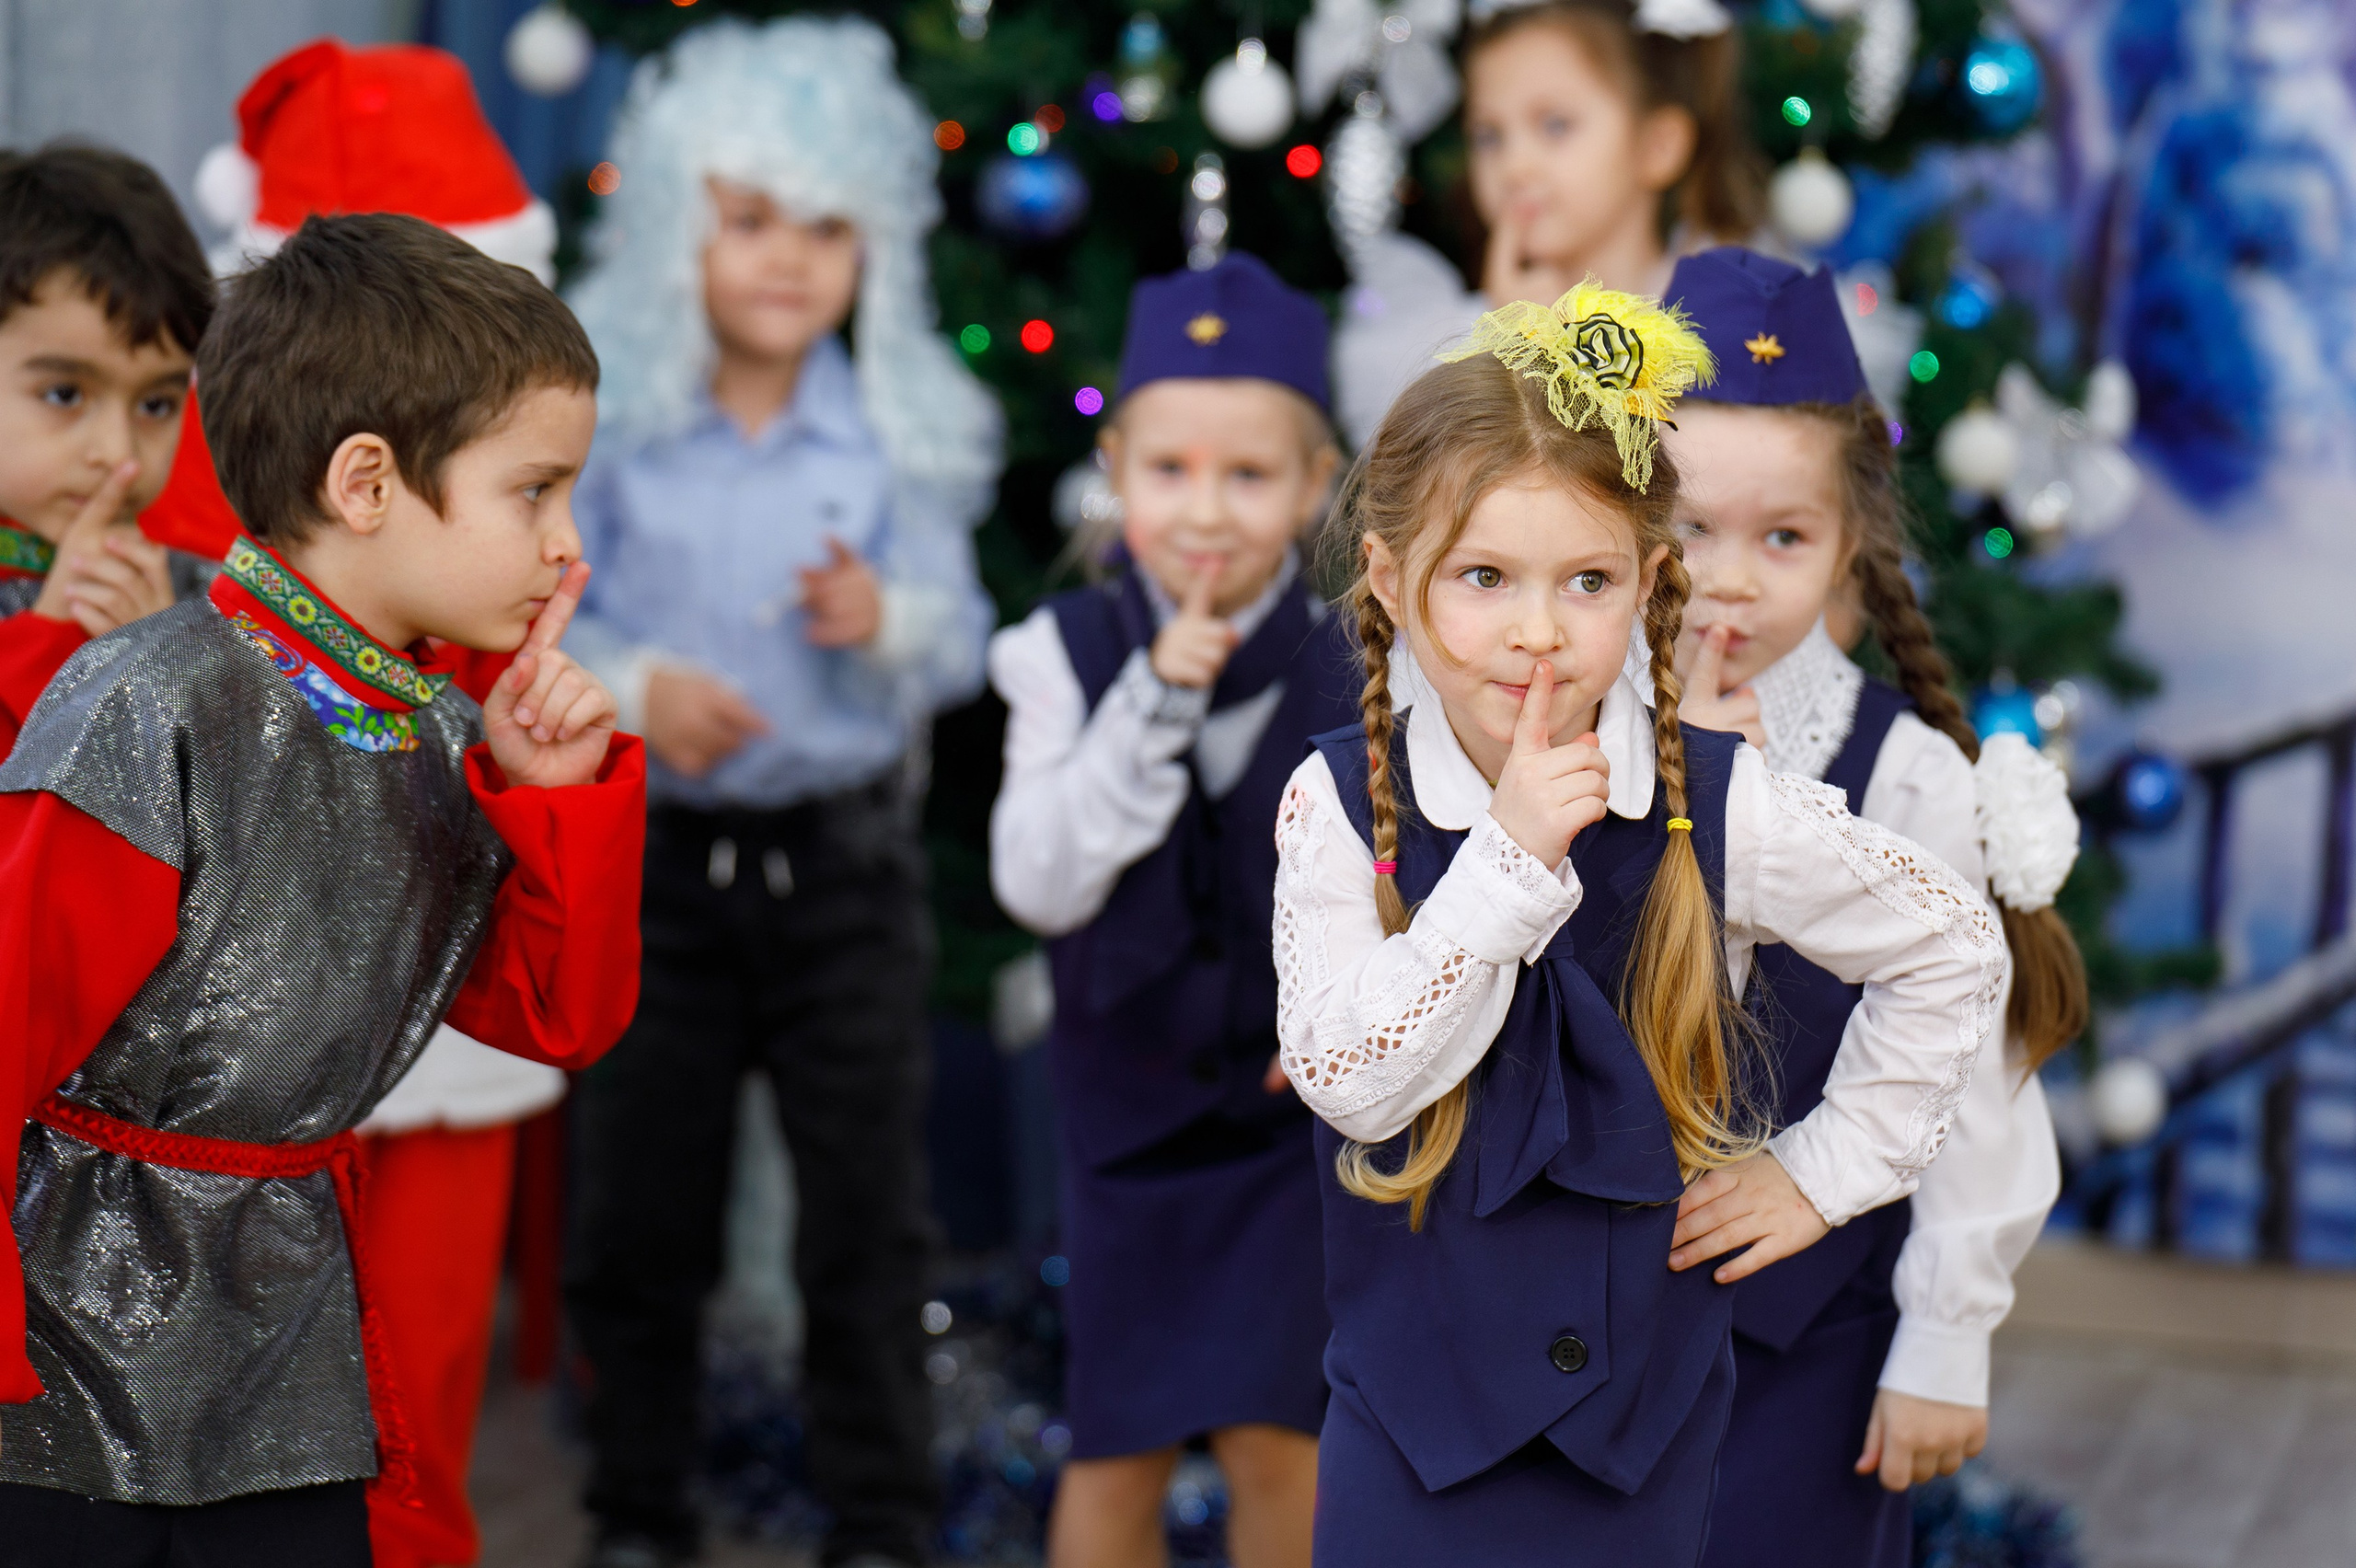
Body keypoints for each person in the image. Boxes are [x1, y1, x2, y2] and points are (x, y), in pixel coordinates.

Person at [1270, 282, 2007, 1564]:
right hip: (1410, 1433)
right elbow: (1349, 1080)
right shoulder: (1337, 804)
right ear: (1388, 580)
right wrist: (1503, 867)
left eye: (1588, 580)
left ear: (1649, 583)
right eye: (1484, 577)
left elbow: (1953, 944)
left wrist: (1823, 1170)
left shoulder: (1712, 805)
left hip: (1639, 1447)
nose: (1538, 633)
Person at [0, 212, 643, 1566]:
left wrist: (555, 800)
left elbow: (557, 1015)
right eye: (535, 492)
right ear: (366, 483)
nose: (566, 545)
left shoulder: (443, 741)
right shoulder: (152, 706)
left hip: (287, 1345)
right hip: (58, 1353)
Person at [559, 17, 1000, 1568]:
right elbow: (543, 618)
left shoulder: (892, 432)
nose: (788, 260)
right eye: (750, 219)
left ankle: (880, 1520)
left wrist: (889, 620)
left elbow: (966, 636)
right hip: (662, 870)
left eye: (825, 226)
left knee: (864, 1221)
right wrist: (636, 691)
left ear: (872, 242)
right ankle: (635, 1511)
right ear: (678, 229)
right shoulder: (616, 428)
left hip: (845, 874)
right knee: (640, 1214)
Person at [195, 40, 583, 1568]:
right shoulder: (191, 521)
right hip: (234, 1076)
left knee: (419, 1389)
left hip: (447, 1005)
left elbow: (561, 988)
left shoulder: (517, 501)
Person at [1657, 247, 2071, 1567]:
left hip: (1807, 1347)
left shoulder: (1903, 773)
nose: (1730, 578)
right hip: (1580, 1331)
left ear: (1849, 548)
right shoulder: (1559, 728)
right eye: (1689, 529)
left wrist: (1946, 1332)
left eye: (1782, 537)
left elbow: (1973, 1064)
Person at [988, 253, 1350, 1568]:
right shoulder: (1060, 655)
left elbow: (1401, 873)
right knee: (1117, 1443)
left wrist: (1349, 1016)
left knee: (1281, 1440)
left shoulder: (1359, 665)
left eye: (1247, 475)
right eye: (1169, 471)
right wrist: (1145, 703)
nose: (1205, 511)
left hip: (1286, 1137)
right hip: (1124, 1122)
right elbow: (1036, 880)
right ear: (1118, 474)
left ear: (1313, 485)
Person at [1332, 0, 1765, 448]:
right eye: (1489, 136)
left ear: (1657, 145)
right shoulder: (1447, 351)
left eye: (1556, 125)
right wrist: (1513, 353)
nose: (1514, 166)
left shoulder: (1727, 329)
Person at [0, 144, 219, 757]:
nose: (120, 454)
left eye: (156, 405)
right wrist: (55, 650)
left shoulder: (208, 603)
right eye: (65, 394)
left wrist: (163, 668)